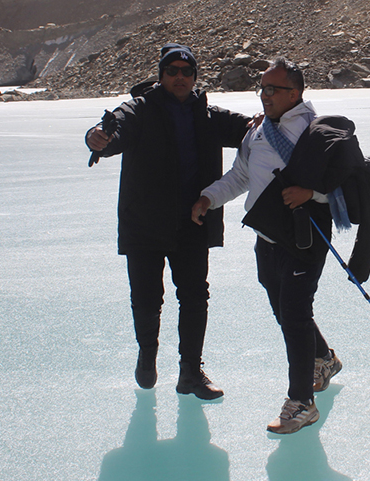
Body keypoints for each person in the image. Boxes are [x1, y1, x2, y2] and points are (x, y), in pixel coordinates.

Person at [191, 58, 370, 434]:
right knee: (283, 307)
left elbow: (343, 186)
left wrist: (312, 193)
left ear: (295, 93)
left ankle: (301, 403)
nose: (264, 96)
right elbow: (241, 175)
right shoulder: (258, 131)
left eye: (272, 90)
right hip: (266, 236)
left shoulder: (317, 133)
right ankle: (323, 358)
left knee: (293, 314)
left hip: (305, 235)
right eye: (261, 89)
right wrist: (209, 198)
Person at [85, 43, 251, 398]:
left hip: (193, 220)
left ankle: (191, 371)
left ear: (194, 77)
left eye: (186, 71)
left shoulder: (207, 115)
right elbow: (114, 131)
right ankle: (147, 354)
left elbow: (252, 130)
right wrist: (98, 138)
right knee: (147, 298)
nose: (179, 77)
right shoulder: (140, 109)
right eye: (172, 71)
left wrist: (282, 120)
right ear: (161, 75)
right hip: (145, 222)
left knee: (194, 296)